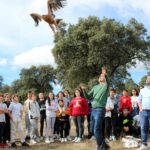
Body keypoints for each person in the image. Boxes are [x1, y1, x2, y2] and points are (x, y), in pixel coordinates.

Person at [81, 67, 110, 150]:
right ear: (98, 79)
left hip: (100, 110)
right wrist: (84, 91)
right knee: (93, 130)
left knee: (97, 129)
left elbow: (108, 81)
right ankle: (104, 145)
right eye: (100, 76)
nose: (101, 77)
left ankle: (100, 147)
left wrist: (105, 74)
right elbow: (88, 97)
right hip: (93, 110)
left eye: (103, 76)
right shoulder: (95, 87)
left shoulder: (106, 86)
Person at [138, 76, 150, 150]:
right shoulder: (142, 90)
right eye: (148, 79)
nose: (149, 80)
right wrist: (141, 109)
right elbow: (139, 100)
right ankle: (144, 145)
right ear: (146, 81)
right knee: (143, 128)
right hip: (143, 112)